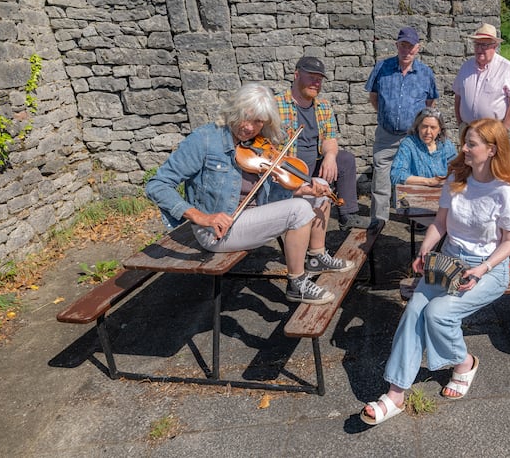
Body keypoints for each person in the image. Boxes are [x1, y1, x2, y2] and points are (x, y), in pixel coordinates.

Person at [360, 119, 510, 425]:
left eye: (471, 144)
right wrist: (425, 250)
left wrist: (481, 269)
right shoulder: (457, 177)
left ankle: (464, 363)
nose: (463, 149)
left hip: (488, 269)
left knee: (438, 314)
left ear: (491, 150)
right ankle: (395, 395)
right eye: (464, 142)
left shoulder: (505, 190)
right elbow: (441, 223)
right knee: (414, 313)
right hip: (448, 263)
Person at [145, 82, 355, 306]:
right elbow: (157, 185)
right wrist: (201, 217)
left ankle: (316, 257)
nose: (249, 127)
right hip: (218, 229)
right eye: (246, 117)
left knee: (320, 190)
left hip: (255, 212)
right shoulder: (205, 139)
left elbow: (269, 188)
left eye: (258, 122)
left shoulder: (255, 143)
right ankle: (297, 283)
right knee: (299, 210)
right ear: (235, 109)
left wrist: (303, 189)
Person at [275, 56, 370, 231]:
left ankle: (347, 215)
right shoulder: (275, 104)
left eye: (319, 79)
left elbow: (330, 138)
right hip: (288, 169)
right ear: (296, 75)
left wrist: (330, 156)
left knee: (345, 159)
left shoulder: (324, 107)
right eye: (311, 77)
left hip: (314, 164)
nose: (315, 83)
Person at [365, 27, 438, 233]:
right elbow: (374, 96)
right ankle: (378, 219)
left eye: (411, 46)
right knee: (381, 176)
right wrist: (387, 115)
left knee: (413, 177)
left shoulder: (426, 73)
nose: (406, 50)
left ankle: (417, 218)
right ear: (397, 45)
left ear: (418, 48)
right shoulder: (382, 67)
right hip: (386, 135)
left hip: (413, 136)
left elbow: (429, 103)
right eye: (403, 45)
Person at [453, 23, 510, 130]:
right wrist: (460, 124)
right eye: (477, 44)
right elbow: (458, 97)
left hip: (492, 131)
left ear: (494, 46)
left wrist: (504, 130)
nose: (479, 49)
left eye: (484, 45)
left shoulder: (506, 67)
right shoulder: (466, 67)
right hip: (468, 129)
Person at [390, 107, 457, 189]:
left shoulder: (446, 145)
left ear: (440, 130)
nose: (428, 132)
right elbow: (396, 174)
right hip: (415, 194)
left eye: (433, 127)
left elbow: (457, 170)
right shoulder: (409, 144)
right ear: (418, 127)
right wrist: (428, 181)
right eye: (424, 126)